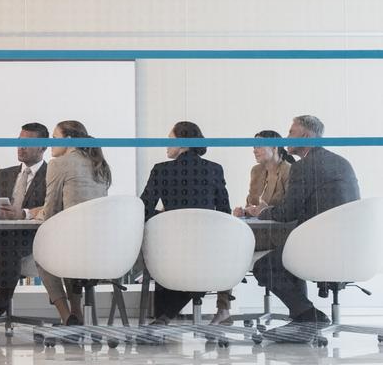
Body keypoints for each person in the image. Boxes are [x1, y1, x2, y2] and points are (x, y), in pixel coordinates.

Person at [252, 115, 360, 328]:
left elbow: (286, 213)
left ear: (306, 135)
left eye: (291, 132)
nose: (287, 137)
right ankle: (302, 316)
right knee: (286, 255)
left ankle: (308, 316)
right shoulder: (341, 161)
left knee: (265, 266)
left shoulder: (304, 166)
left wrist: (261, 212)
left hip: (321, 245)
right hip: (349, 245)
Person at [140, 121, 230, 326]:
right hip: (206, 247)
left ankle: (163, 317)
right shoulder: (214, 169)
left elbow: (144, 208)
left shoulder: (161, 170)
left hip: (171, 248)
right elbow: (224, 211)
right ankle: (165, 317)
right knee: (203, 263)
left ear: (182, 143)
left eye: (169, 140)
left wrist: (166, 214)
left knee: (168, 260)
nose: (166, 144)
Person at [209, 130, 295, 325]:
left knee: (231, 244)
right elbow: (253, 203)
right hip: (256, 228)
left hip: (280, 230)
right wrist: (245, 211)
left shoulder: (289, 170)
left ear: (274, 147)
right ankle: (223, 309)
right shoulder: (256, 171)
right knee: (227, 243)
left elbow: (290, 208)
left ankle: (223, 309)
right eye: (253, 145)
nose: (253, 149)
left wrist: (264, 210)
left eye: (258, 145)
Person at [32, 120, 112, 326]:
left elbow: (50, 212)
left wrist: (31, 214)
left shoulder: (59, 164)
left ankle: (67, 315)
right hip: (104, 250)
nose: (51, 143)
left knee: (42, 254)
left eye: (55, 138)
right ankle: (77, 313)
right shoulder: (99, 164)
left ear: (68, 140)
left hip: (75, 248)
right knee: (66, 250)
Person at [0, 122, 49, 322]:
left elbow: (51, 208)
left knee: (10, 244)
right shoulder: (3, 174)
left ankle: (0, 305)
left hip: (32, 237)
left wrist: (22, 213)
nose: (20, 147)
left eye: (27, 143)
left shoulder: (52, 176)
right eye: (19, 141)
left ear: (43, 147)